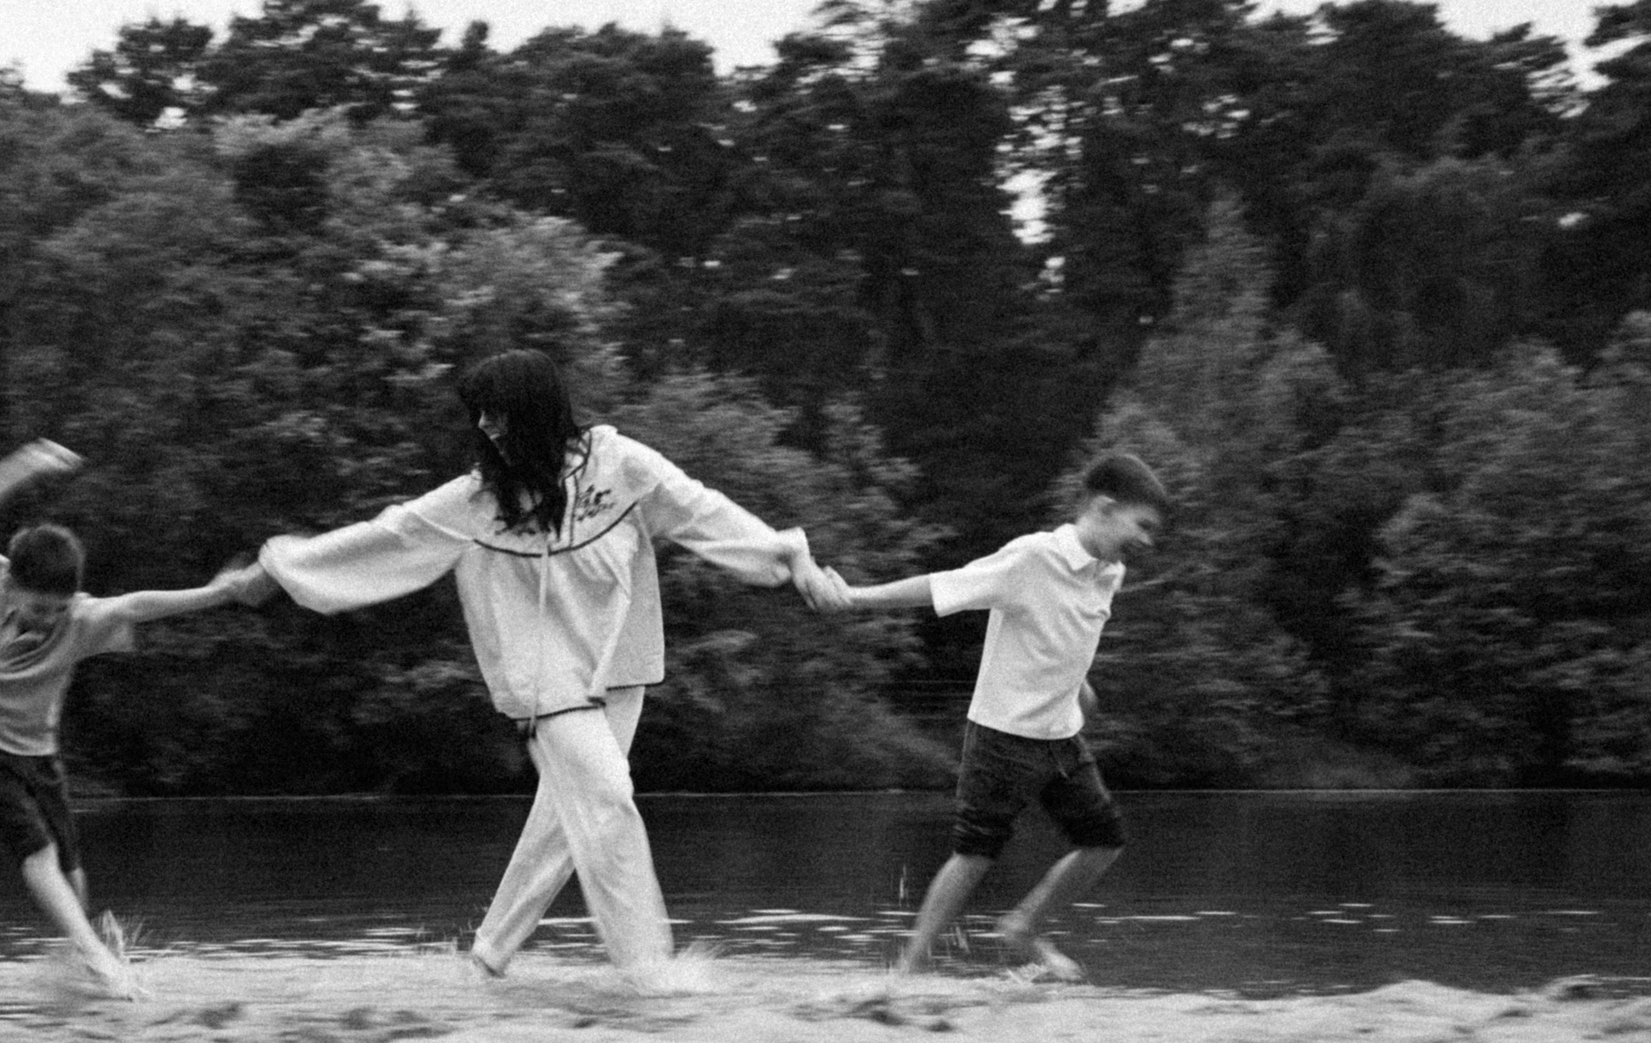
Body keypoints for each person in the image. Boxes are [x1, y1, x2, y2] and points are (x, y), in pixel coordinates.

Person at [232, 349, 848, 977]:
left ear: (534, 413)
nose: (485, 431)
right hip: (543, 679)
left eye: (497, 418)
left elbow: (701, 509)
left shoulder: (621, 465)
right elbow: (392, 535)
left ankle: (488, 959)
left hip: (620, 664)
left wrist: (788, 556)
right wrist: (281, 569)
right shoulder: (477, 501)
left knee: (564, 820)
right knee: (607, 799)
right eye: (479, 419)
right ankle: (654, 978)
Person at [0, 439, 253, 995]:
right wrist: (26, 463)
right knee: (39, 853)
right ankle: (100, 962)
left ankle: (79, 965)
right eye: (38, 607)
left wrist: (218, 592)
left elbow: (139, 605)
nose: (49, 620)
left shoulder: (79, 618)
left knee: (72, 870)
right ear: (12, 583)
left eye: (59, 609)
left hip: (38, 752)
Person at [822, 450, 1168, 979]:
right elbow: (945, 586)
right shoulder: (1032, 559)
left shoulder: (1110, 572)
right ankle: (909, 969)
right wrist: (853, 598)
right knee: (975, 854)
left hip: (1061, 737)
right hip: (1002, 735)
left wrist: (1080, 688)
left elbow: (1063, 633)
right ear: (1103, 507)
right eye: (1141, 525)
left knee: (1104, 840)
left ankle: (1024, 927)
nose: (1147, 540)